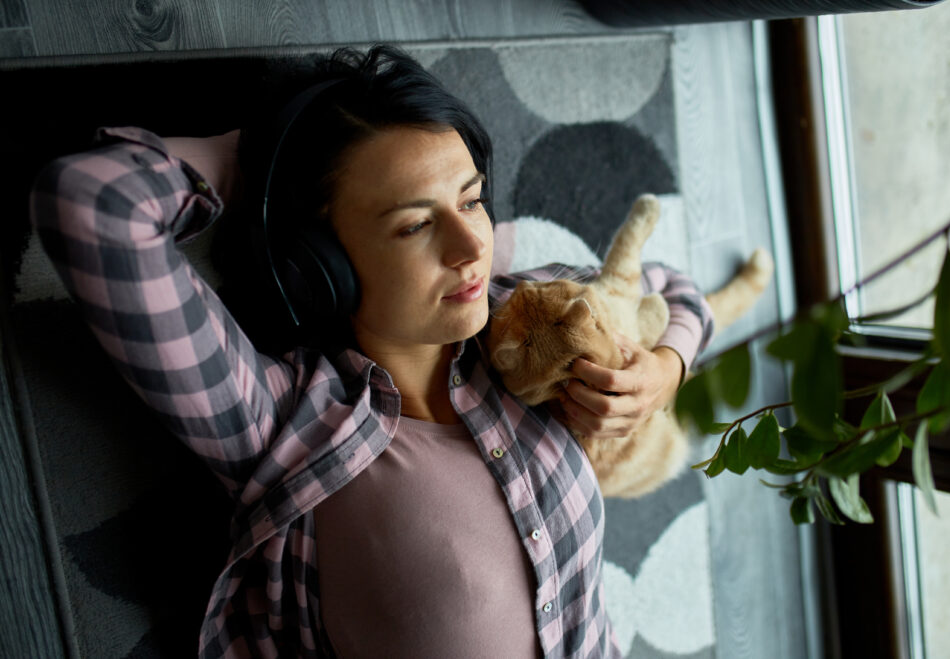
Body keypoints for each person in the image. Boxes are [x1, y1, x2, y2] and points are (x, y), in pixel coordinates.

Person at [30, 45, 713, 658]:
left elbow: (673, 289)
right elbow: (93, 204)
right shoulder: (279, 423)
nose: (472, 245)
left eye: (471, 200)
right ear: (320, 260)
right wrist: (262, 162)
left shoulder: (530, 319)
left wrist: (665, 367)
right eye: (416, 223)